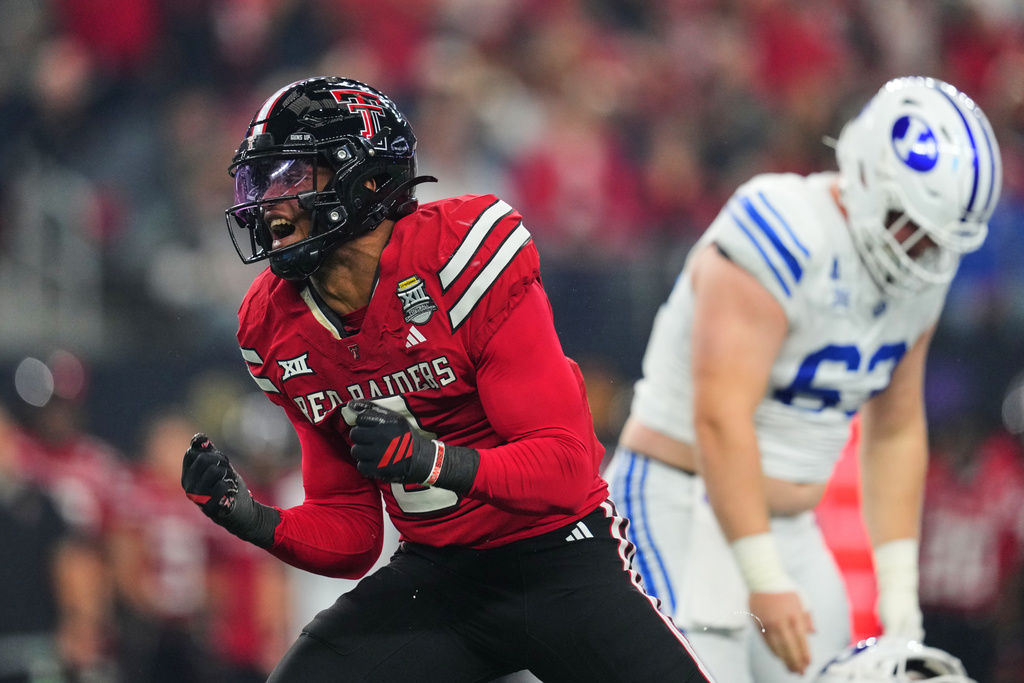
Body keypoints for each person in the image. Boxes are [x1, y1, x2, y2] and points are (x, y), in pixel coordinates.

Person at [180, 75, 713, 682]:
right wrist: (251, 517)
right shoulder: (272, 323)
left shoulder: (462, 257)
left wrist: (435, 463)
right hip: (437, 575)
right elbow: (351, 531)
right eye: (260, 181)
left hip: (559, 558)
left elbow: (565, 470)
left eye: (291, 178)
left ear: (367, 176)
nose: (266, 203)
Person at [605, 76, 1002, 681]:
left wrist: (898, 590)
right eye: (913, 227)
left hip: (790, 526)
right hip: (682, 504)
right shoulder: (783, 224)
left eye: (940, 241)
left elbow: (895, 428)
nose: (925, 254)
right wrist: (763, 577)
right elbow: (720, 416)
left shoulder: (918, 270)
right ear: (869, 174)